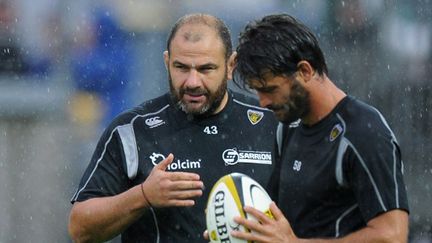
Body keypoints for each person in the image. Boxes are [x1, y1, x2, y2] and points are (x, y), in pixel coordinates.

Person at [68, 13, 277, 242]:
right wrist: (143, 195)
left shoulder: (272, 123)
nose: (192, 82)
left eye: (206, 69)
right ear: (167, 62)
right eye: (181, 68)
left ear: (230, 66)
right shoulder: (132, 131)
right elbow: (80, 228)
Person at [230, 13, 409, 243]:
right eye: (257, 91)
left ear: (305, 71)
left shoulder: (364, 132)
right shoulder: (288, 128)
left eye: (270, 89)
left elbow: (392, 236)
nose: (263, 102)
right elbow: (278, 225)